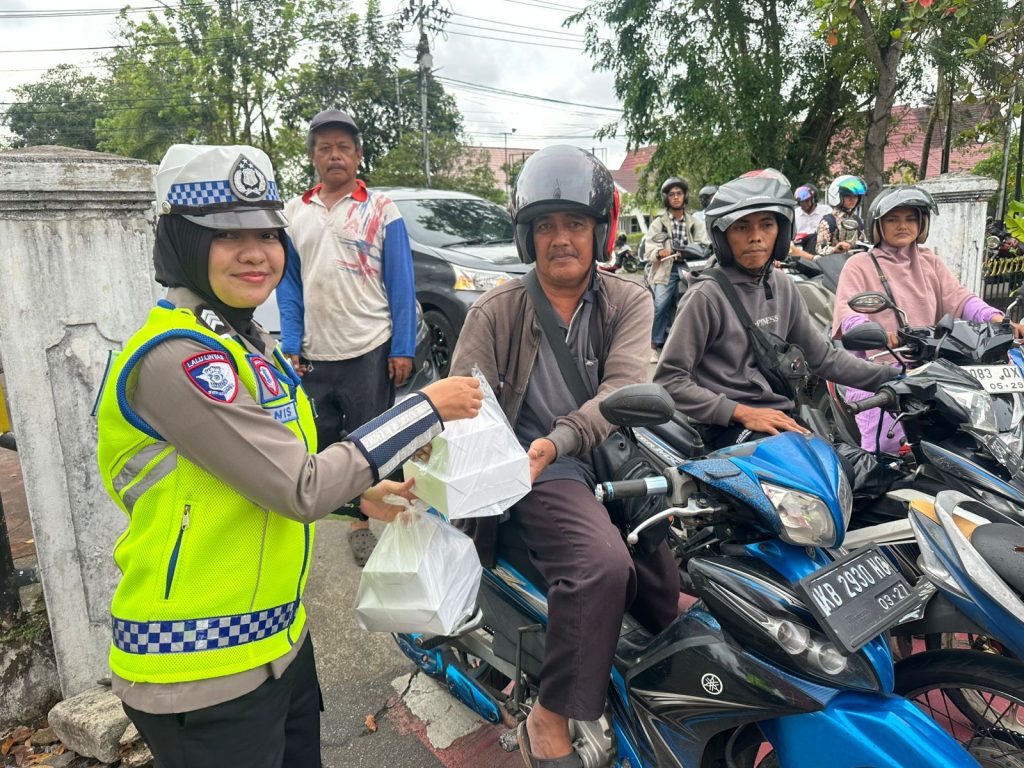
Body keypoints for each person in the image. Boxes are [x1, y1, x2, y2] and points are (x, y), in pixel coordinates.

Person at [95, 144, 483, 768]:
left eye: (267, 234)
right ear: (182, 242)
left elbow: (261, 476)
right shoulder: (178, 359)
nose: (255, 253)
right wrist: (425, 409)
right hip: (199, 668)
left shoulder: (250, 345)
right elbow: (299, 486)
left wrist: (358, 497)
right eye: (226, 235)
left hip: (276, 642)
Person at [449, 145, 678, 767]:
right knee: (602, 568)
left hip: (607, 454)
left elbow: (622, 391)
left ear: (599, 231)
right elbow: (461, 408)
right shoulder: (495, 311)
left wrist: (568, 436)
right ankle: (548, 717)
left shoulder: (628, 299)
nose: (560, 239)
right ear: (527, 236)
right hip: (536, 466)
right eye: (545, 225)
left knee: (666, 592)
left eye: (575, 223)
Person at [653, 172, 897, 450]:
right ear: (722, 236)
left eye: (766, 225)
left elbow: (823, 358)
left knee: (854, 468)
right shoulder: (706, 296)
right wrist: (740, 412)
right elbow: (669, 379)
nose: (755, 237)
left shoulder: (782, 285)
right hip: (723, 424)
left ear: (781, 233)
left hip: (778, 414)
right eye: (741, 227)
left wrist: (895, 378)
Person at [278, 108, 419, 566]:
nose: (334, 155)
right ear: (313, 156)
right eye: (325, 148)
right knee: (318, 439)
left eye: (343, 147)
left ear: (358, 155)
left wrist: (402, 348)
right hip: (315, 353)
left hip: (368, 348)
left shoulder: (381, 210)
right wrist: (291, 345)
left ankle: (362, 522)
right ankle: (330, 509)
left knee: (368, 442)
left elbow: (401, 284)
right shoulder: (294, 213)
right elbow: (289, 286)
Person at [832, 185, 1022, 452]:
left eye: (911, 219)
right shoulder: (860, 264)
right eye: (893, 219)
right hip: (880, 367)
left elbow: (960, 298)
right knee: (887, 446)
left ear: (922, 224)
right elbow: (849, 313)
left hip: (933, 366)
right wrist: (876, 333)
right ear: (878, 224)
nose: (903, 225)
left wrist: (997, 319)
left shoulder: (929, 261)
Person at [644, 176, 709, 362]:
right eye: (671, 194)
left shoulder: (695, 222)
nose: (675, 197)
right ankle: (654, 345)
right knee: (660, 304)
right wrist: (660, 252)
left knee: (700, 301)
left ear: (685, 196)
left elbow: (704, 244)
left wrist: (689, 251)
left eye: (679, 193)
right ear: (666, 198)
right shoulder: (659, 223)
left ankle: (698, 343)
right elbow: (650, 247)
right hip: (667, 269)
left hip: (691, 268)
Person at [815, 174, 867, 256]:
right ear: (836, 196)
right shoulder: (828, 221)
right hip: (832, 262)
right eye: (848, 196)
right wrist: (835, 249)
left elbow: (864, 244)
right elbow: (819, 248)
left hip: (854, 262)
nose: (852, 199)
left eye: (855, 196)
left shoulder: (858, 221)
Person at [789, 184, 832, 259]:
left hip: (819, 244)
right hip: (799, 245)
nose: (804, 204)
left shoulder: (826, 211)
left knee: (814, 237)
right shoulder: (795, 213)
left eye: (807, 201)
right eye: (801, 202)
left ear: (814, 199)